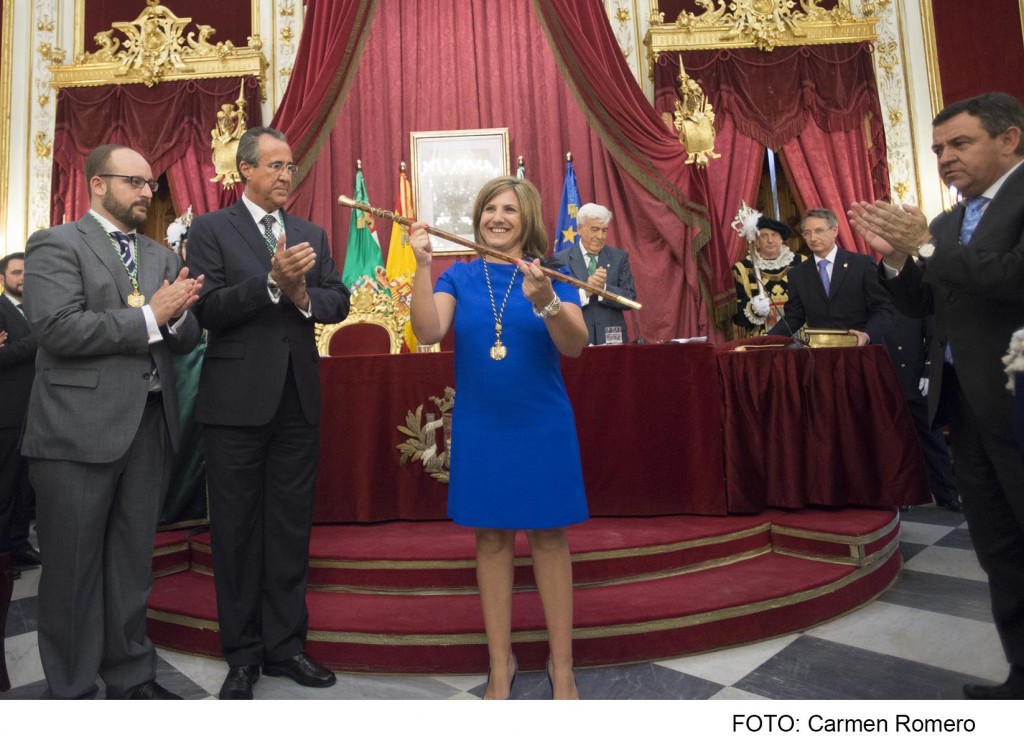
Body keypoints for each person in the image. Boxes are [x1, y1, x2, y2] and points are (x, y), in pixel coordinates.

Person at [848, 91, 1024, 700]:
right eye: (938, 148)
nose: (945, 157)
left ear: (1009, 139)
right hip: (966, 411)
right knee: (999, 550)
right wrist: (899, 258)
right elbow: (921, 303)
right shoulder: (948, 223)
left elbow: (1012, 278)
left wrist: (923, 246)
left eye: (960, 143)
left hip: (1017, 403)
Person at [21, 144, 203, 699]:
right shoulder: (56, 243)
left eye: (151, 184)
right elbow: (59, 329)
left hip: (148, 427)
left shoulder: (160, 255)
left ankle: (131, 676)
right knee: (73, 569)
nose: (148, 193)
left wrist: (179, 318)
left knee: (131, 564)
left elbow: (186, 336)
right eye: (135, 182)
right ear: (97, 184)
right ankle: (74, 689)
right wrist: (151, 315)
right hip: (76, 430)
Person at [186, 126, 350, 700]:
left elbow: (338, 300)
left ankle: (286, 647)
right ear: (246, 171)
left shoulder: (310, 233)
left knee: (288, 528)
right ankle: (242, 655)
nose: (286, 174)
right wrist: (271, 285)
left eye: (290, 166)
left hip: (297, 403)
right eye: (276, 165)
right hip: (234, 406)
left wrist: (303, 296)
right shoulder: (211, 229)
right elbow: (206, 309)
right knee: (235, 532)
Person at [409, 177, 589, 699]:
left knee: (550, 537)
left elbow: (575, 345)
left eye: (510, 209)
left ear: (527, 218)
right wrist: (421, 266)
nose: (498, 217)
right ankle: (500, 663)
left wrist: (547, 300)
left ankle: (561, 666)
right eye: (490, 208)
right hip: (482, 425)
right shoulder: (458, 276)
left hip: (542, 423)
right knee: (489, 539)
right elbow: (427, 332)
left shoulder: (552, 274)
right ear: (478, 217)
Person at [768, 208, 895, 345]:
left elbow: (882, 309)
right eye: (807, 233)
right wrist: (765, 339)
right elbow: (794, 317)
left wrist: (866, 335)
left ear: (835, 230)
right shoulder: (797, 274)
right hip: (822, 352)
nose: (813, 238)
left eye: (819, 231)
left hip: (862, 348)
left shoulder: (862, 264)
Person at [883, 312, 961, 512]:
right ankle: (903, 494)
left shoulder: (917, 301)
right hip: (885, 379)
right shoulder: (878, 300)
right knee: (895, 443)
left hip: (916, 379)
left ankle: (948, 494)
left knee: (932, 440)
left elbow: (935, 337)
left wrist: (929, 371)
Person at [0, 253, 39, 578]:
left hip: (38, 413)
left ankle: (19, 546)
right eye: (16, 272)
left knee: (27, 486)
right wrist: (39, 339)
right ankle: (2, 558)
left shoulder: (39, 310)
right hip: (8, 414)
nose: (23, 277)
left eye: (27, 271)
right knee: (5, 486)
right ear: (3, 279)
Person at [551, 203, 636, 345]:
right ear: (579, 229)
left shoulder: (619, 257)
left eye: (604, 230)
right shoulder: (561, 260)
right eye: (595, 230)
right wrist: (585, 291)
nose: (600, 236)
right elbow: (555, 303)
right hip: (577, 338)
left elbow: (629, 299)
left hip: (612, 341)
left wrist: (603, 289)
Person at [732, 217, 807, 334]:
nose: (770, 240)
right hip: (762, 339)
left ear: (782, 238)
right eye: (764, 236)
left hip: (801, 336)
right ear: (756, 241)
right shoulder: (742, 269)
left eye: (775, 235)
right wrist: (753, 310)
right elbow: (738, 317)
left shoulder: (802, 262)